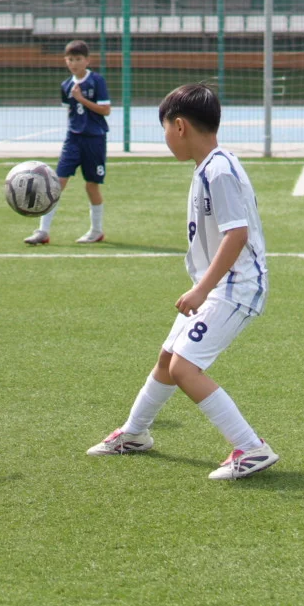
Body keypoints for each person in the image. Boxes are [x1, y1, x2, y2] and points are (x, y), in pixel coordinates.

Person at [87, 83, 279, 480]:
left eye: (164, 129)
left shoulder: (219, 170)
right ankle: (134, 433)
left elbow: (236, 234)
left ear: (179, 126)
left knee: (184, 368)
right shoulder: (210, 166)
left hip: (234, 287)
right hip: (218, 286)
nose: (165, 138)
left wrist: (201, 289)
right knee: (167, 358)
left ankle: (251, 447)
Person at [25, 40, 110, 245]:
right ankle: (42, 231)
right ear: (65, 61)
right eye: (70, 59)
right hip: (73, 139)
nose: (74, 63)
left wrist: (82, 99)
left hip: (94, 139)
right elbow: (70, 111)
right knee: (56, 182)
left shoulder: (97, 81)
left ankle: (96, 231)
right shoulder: (66, 85)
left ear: (87, 61)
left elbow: (105, 110)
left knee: (91, 186)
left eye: (78, 59)